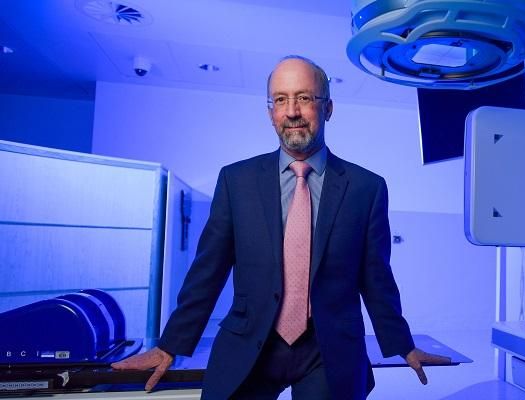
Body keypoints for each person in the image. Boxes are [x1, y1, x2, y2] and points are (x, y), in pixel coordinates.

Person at [111, 55, 450, 399]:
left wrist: (403, 344)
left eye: (304, 98)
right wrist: (171, 345)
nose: (292, 111)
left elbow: (376, 277)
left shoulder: (366, 188)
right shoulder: (236, 181)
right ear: (270, 110)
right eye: (281, 100)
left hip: (328, 349)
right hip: (250, 343)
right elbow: (207, 272)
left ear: (328, 108)